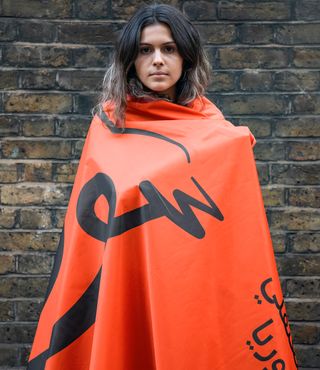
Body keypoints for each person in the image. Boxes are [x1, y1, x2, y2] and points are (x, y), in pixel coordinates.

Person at [27, 4, 297, 370]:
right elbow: (90, 231)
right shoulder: (109, 127)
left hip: (188, 288)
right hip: (126, 286)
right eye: (145, 50)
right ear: (130, 60)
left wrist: (232, 150)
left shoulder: (214, 132)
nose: (157, 60)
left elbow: (231, 229)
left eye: (168, 49)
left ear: (185, 58)